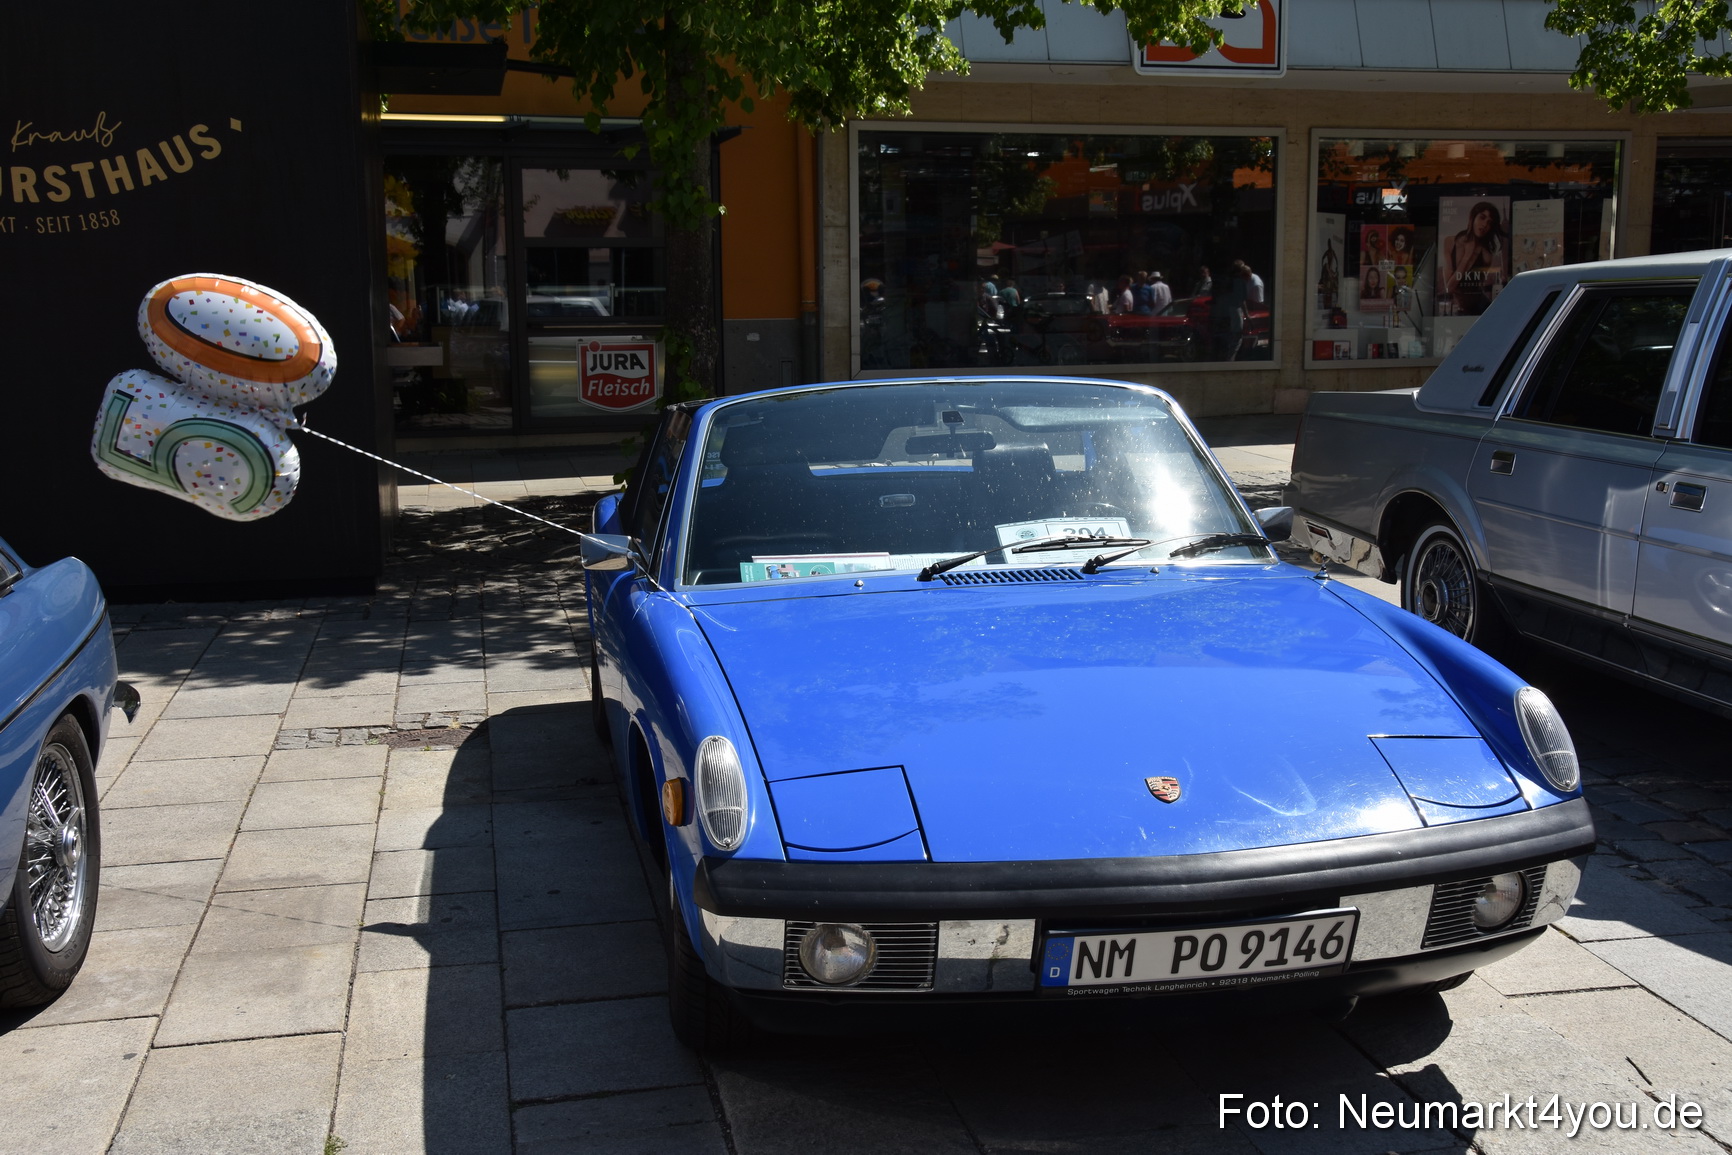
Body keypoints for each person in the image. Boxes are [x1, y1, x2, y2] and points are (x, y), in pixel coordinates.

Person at [1441, 200, 1508, 315]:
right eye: (1482, 218)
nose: (1485, 225)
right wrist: (1467, 254)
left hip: (1479, 309)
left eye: (1489, 223)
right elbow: (1449, 287)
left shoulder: (1486, 254)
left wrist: (1470, 254)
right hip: (1458, 310)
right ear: (1473, 217)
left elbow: (1473, 290)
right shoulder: (1450, 242)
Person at [1209, 262, 1250, 360]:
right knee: (1237, 337)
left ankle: (1224, 357)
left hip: (1224, 312)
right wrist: (1247, 316)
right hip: (1235, 311)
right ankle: (1230, 359)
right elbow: (1242, 301)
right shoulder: (1240, 282)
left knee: (1226, 336)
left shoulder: (1226, 281)